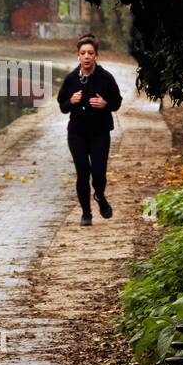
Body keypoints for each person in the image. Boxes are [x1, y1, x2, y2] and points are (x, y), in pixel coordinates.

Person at [56, 34, 122, 226]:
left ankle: (100, 196)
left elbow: (117, 102)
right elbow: (62, 106)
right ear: (78, 56)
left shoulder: (106, 78)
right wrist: (71, 101)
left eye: (90, 53)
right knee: (83, 172)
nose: (86, 56)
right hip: (77, 133)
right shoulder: (71, 79)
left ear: (96, 56)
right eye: (83, 53)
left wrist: (105, 104)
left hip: (100, 133)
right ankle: (86, 213)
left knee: (99, 172)